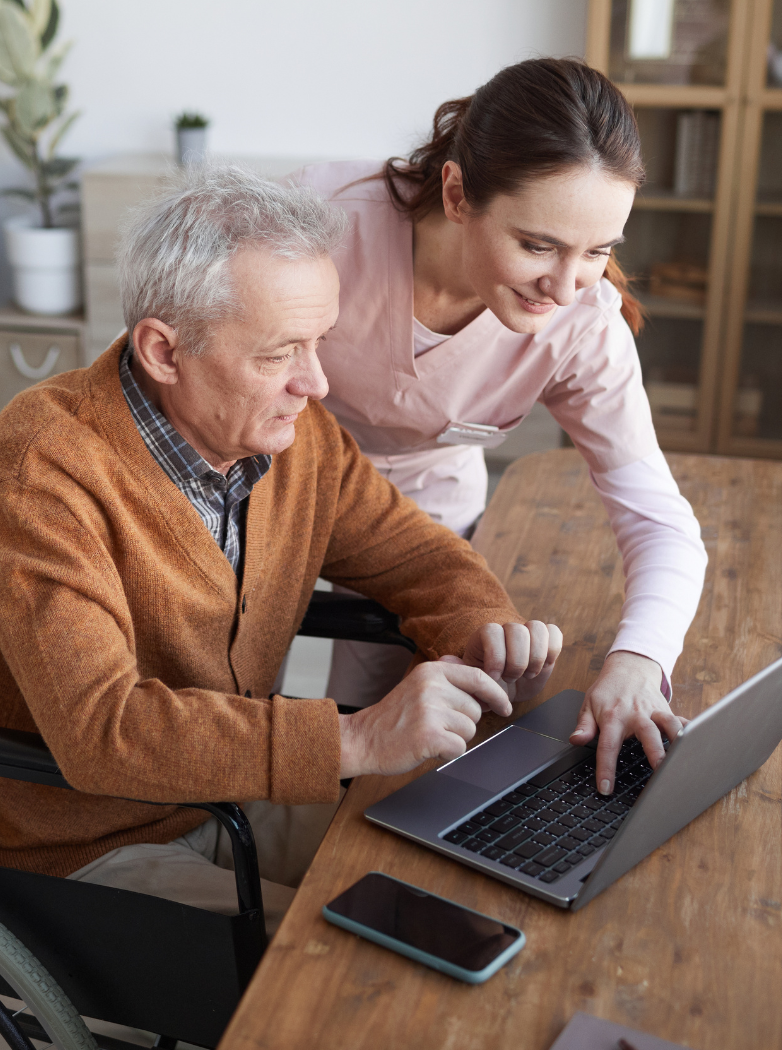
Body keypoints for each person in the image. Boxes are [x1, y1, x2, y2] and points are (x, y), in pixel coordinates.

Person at [0, 166, 563, 932]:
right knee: (354, 953)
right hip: (69, 841)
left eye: (320, 342)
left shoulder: (294, 438)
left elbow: (410, 552)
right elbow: (103, 731)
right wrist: (354, 737)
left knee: (469, 860)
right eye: (279, 353)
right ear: (164, 350)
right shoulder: (39, 470)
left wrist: (485, 625)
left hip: (222, 795)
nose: (316, 382)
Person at [288, 57, 708, 798]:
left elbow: (658, 518)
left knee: (395, 751)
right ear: (456, 193)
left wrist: (641, 658)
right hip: (273, 488)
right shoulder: (317, 228)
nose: (566, 284)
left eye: (599, 250)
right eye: (539, 244)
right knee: (248, 710)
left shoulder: (581, 325)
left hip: (423, 520)